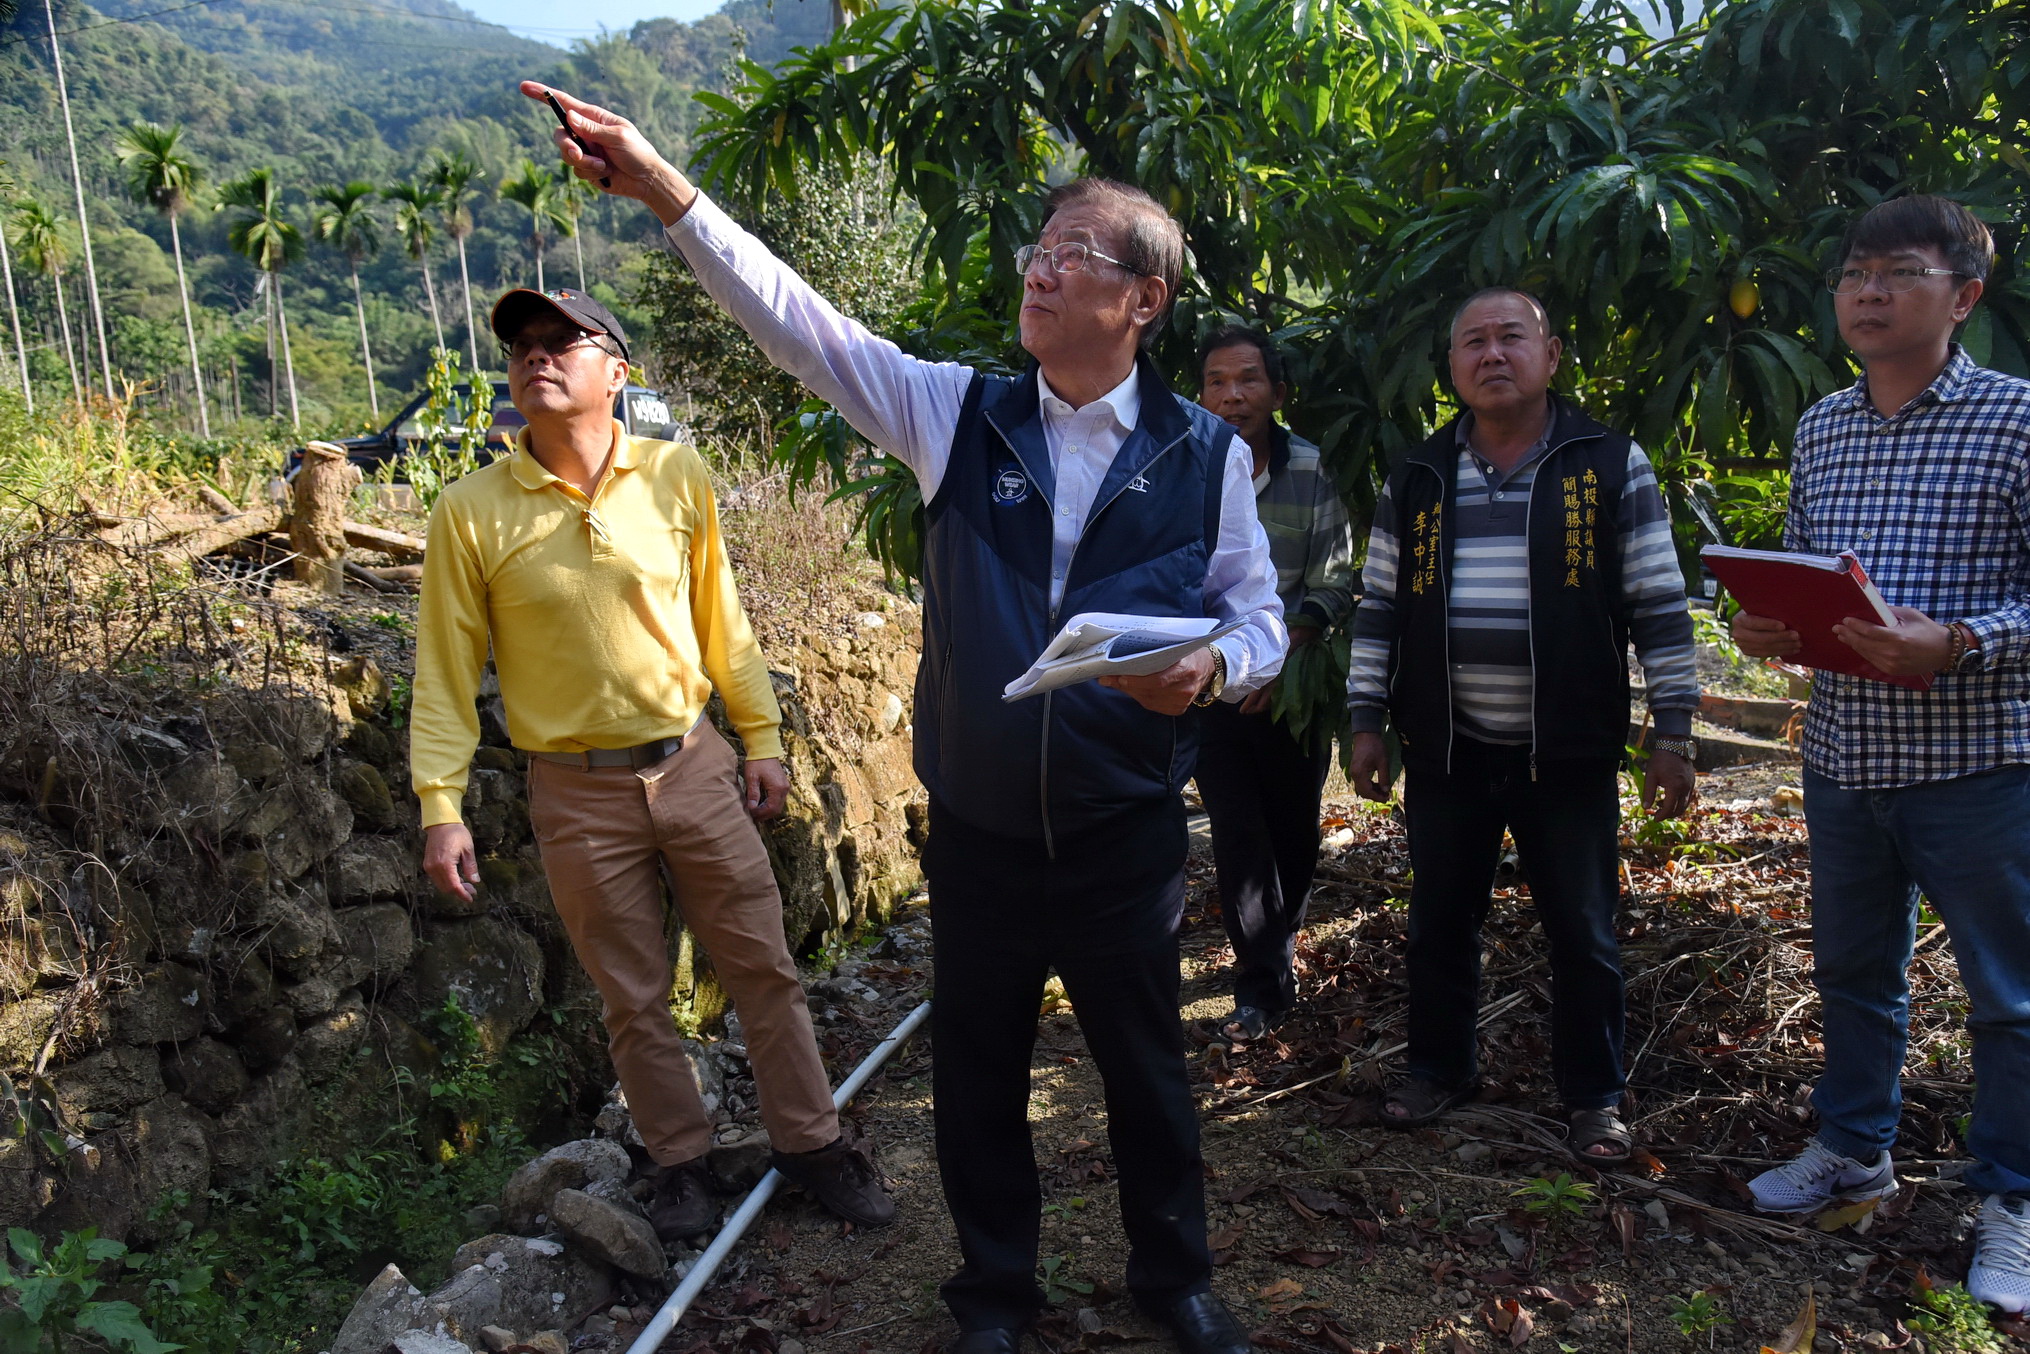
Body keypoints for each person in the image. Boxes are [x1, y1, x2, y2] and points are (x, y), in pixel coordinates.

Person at [519, 83, 1286, 1354]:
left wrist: (1208, 673)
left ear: (1141, 301)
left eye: (1072, 255)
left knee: (1146, 1074)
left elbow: (1256, 619)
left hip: (1121, 834)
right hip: (981, 834)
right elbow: (802, 329)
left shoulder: (1205, 457)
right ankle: (992, 1294)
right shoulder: (957, 412)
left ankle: (1175, 1282)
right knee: (975, 1073)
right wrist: (664, 192)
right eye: (1037, 250)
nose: (1038, 272)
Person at [410, 284, 894, 1244]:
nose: (536, 357)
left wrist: (761, 740)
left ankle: (813, 1144)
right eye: (522, 347)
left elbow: (724, 623)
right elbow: (447, 669)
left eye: (562, 341)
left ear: (617, 371)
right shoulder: (471, 510)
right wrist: (440, 804)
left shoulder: (677, 475)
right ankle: (680, 1163)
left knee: (762, 966)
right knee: (632, 996)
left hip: (695, 766)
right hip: (575, 792)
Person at [1729, 196, 2030, 1312]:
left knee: (2008, 997)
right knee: (1856, 973)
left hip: (1978, 766)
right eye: (1853, 271)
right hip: (1846, 758)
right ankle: (1851, 1148)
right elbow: (1814, 574)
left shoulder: (2013, 420)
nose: (1864, 290)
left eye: (1897, 271)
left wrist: (1951, 642)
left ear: (1961, 297)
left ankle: (2013, 1200)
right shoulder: (1822, 426)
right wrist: (1769, 626)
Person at [1344, 287, 1699, 1164]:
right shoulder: (1419, 474)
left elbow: (1659, 602)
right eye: (1473, 342)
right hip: (1447, 747)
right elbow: (1379, 606)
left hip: (1567, 751)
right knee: (1438, 920)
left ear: (1552, 355)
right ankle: (1437, 1068)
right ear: (1452, 365)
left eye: (1512, 337)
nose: (1492, 354)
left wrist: (1674, 730)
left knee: (1582, 930)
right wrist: (1364, 719)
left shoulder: (1608, 463)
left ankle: (1593, 1098)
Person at [1193, 326, 1357, 1043]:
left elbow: (1337, 577)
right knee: (1236, 832)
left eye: (1248, 380)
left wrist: (1277, 656)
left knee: (1293, 827)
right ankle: (1260, 985)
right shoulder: (1184, 467)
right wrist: (1225, 664)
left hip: (1294, 685)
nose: (1232, 396)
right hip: (1212, 687)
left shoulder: (1315, 472)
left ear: (1278, 393)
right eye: (1216, 382)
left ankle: (1277, 949)